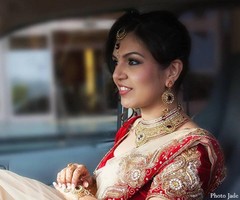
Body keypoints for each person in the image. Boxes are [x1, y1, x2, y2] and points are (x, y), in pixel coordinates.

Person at [0, 10, 226, 200]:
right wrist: (89, 184)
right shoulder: (133, 126)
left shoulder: (192, 150)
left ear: (172, 71)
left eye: (133, 62)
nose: (117, 74)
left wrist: (81, 197)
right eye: (117, 62)